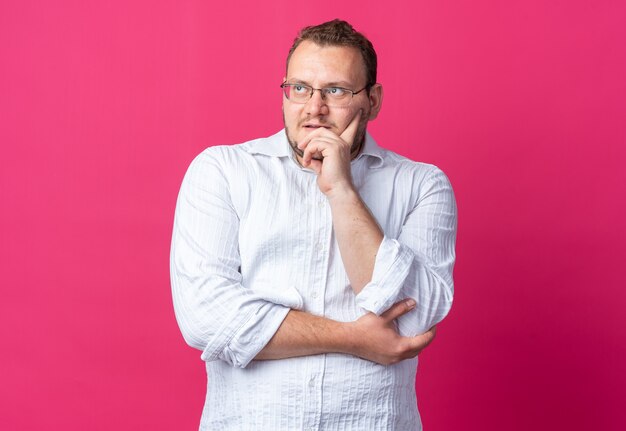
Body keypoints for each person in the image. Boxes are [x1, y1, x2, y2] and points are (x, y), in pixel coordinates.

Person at [170, 19, 457, 431]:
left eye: (336, 91)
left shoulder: (422, 185)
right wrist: (356, 338)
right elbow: (207, 318)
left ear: (372, 101)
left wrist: (341, 190)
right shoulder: (223, 171)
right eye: (299, 88)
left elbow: (415, 318)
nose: (314, 108)